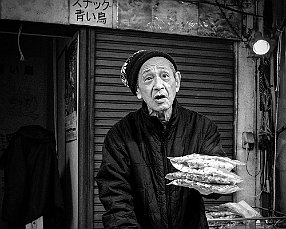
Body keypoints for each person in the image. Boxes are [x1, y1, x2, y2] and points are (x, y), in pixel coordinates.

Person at [96, 50, 226, 229]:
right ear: (138, 91)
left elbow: (217, 180)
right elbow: (116, 198)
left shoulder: (202, 128)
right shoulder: (120, 135)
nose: (158, 85)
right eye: (148, 78)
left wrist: (211, 185)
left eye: (165, 76)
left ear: (177, 82)